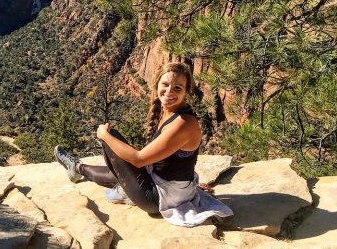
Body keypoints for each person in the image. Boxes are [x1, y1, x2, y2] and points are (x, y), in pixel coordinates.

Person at [55, 61, 233, 227]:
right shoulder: (170, 111)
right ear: (157, 85)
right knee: (119, 167)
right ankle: (77, 167)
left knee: (112, 136)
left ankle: (106, 181)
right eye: (165, 85)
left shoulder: (183, 124)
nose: (170, 91)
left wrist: (103, 135)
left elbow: (139, 159)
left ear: (186, 92)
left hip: (158, 199)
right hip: (168, 185)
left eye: (177, 88)